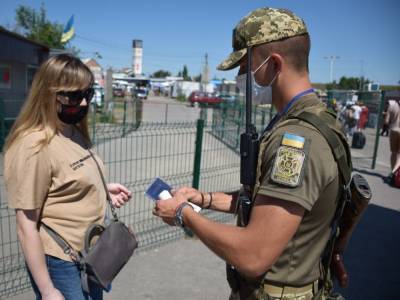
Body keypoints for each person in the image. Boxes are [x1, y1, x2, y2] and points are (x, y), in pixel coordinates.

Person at [153, 7, 350, 300]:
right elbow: (265, 203)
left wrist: (182, 214)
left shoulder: (297, 140)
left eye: (245, 67)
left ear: (273, 64)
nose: (240, 76)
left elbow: (253, 254)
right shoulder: (313, 117)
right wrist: (203, 199)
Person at [4, 54, 132, 300]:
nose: (83, 104)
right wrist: (48, 290)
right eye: (73, 96)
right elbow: (25, 226)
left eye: (88, 94)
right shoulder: (34, 146)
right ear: (47, 94)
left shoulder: (73, 130)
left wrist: (102, 189)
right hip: (62, 261)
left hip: (91, 252)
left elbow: (68, 176)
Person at [384, 99, 400, 183]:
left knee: (394, 152)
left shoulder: (392, 106)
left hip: (394, 130)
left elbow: (386, 121)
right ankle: (395, 172)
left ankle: (392, 172)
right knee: (399, 154)